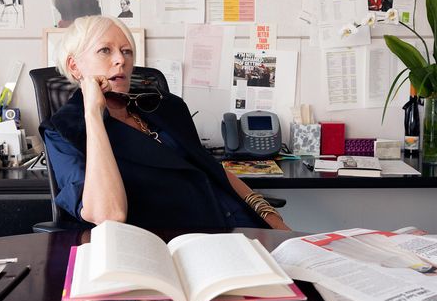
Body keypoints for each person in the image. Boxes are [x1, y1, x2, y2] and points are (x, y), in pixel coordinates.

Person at [41, 15, 290, 230]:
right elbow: (109, 215)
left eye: (126, 51)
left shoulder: (166, 106)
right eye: (105, 50)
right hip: (171, 242)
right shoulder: (63, 131)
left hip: (233, 224)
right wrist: (93, 114)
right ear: (75, 66)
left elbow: (213, 170)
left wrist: (269, 216)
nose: (121, 60)